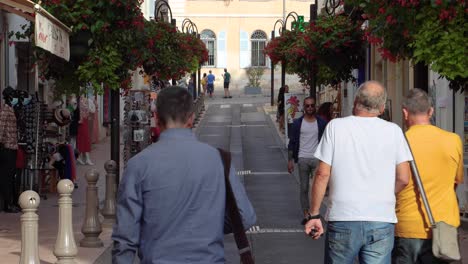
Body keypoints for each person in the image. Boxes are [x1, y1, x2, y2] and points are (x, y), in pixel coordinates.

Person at [112, 86, 256, 263]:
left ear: (156, 117)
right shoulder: (219, 160)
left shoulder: (138, 165)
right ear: (191, 117)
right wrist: (211, 223)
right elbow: (245, 216)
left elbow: (125, 239)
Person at [304, 81, 412, 263]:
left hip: (343, 216)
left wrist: (314, 214)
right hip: (381, 218)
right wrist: (382, 192)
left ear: (355, 101)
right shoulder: (394, 131)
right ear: (382, 107)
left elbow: (322, 174)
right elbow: (403, 178)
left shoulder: (336, 127)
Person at [392, 88, 464, 264]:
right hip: (443, 226)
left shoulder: (398, 143)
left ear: (405, 112)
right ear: (431, 111)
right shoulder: (453, 140)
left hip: (406, 226)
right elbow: (456, 180)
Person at [287, 96, 327, 223]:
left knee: (317, 187)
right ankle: (306, 214)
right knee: (304, 188)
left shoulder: (321, 123)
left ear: (315, 106)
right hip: (303, 158)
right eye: (307, 106)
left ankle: (315, 212)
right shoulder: (298, 123)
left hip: (316, 159)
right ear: (303, 108)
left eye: (312, 105)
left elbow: (326, 142)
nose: (310, 108)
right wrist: (290, 160)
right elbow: (292, 142)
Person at [0, 86, 20, 213]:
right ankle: (7, 204)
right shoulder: (5, 110)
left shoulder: (11, 109)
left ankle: (11, 201)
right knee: (6, 176)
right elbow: (1, 128)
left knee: (11, 175)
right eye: (13, 95)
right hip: (6, 147)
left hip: (12, 147)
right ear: (9, 97)